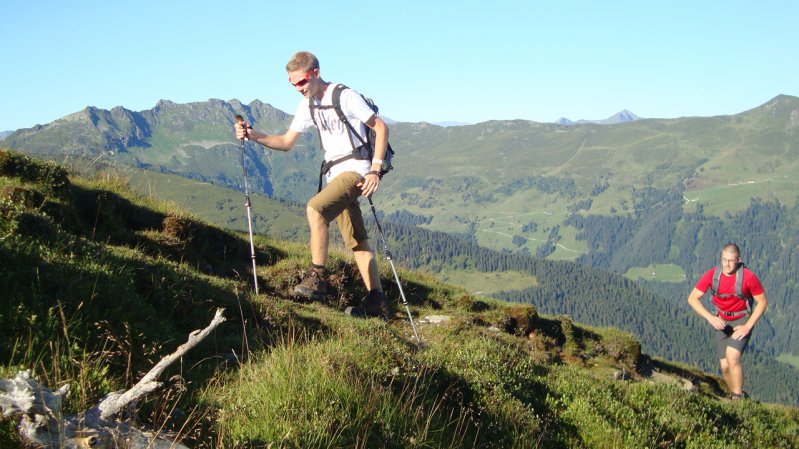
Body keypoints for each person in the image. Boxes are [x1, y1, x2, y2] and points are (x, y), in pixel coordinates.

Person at [234, 51, 390, 318]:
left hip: (357, 170)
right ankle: (377, 301)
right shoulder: (307, 105)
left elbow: (381, 127)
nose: (298, 89)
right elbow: (285, 143)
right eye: (293, 85)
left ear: (315, 73)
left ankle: (317, 278)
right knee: (357, 239)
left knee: (315, 209)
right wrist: (253, 135)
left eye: (302, 82)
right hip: (335, 174)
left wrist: (375, 170)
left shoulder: (344, 96)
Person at [687, 243, 767, 399]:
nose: (727, 264)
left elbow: (762, 302)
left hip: (741, 320)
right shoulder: (712, 275)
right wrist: (711, 318)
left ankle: (737, 399)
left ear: (739, 260)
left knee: (732, 357)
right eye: (724, 260)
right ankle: (736, 394)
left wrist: (747, 326)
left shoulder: (748, 277)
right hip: (721, 321)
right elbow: (692, 298)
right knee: (724, 367)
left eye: (731, 260)